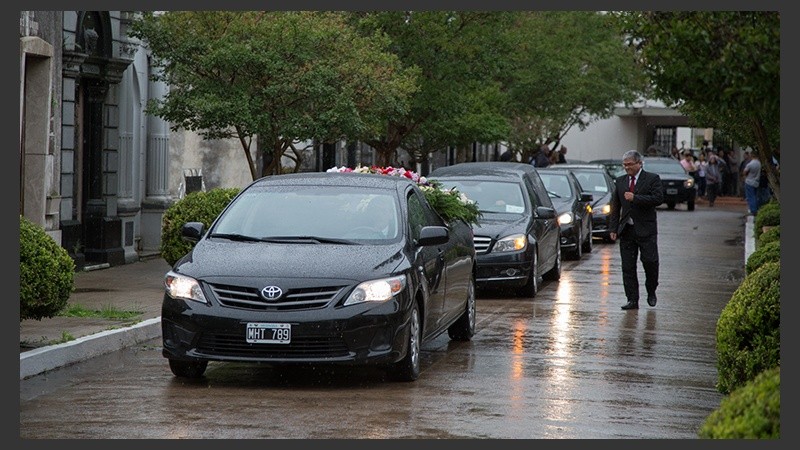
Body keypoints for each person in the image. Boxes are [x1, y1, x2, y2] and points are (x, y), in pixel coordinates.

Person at [608, 150, 664, 310]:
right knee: (628, 267)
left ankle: (651, 290)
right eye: (624, 165)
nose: (627, 168)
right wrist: (613, 228)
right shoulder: (620, 181)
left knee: (650, 263)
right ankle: (632, 299)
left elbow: (658, 199)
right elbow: (615, 206)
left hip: (646, 230)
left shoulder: (652, 179)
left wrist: (636, 198)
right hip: (627, 230)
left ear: (639, 163)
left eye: (630, 164)